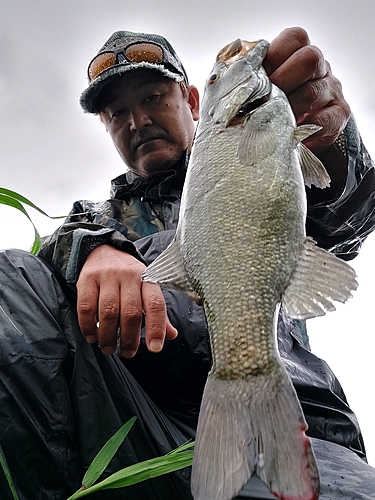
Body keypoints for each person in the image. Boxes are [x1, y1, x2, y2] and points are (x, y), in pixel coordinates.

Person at [1, 27, 375, 500]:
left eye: (154, 96)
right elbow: (32, 298)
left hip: (297, 419)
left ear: (194, 101)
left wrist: (335, 148)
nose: (137, 121)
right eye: (118, 112)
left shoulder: (264, 153)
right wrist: (91, 249)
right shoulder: (92, 221)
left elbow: (347, 219)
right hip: (135, 424)